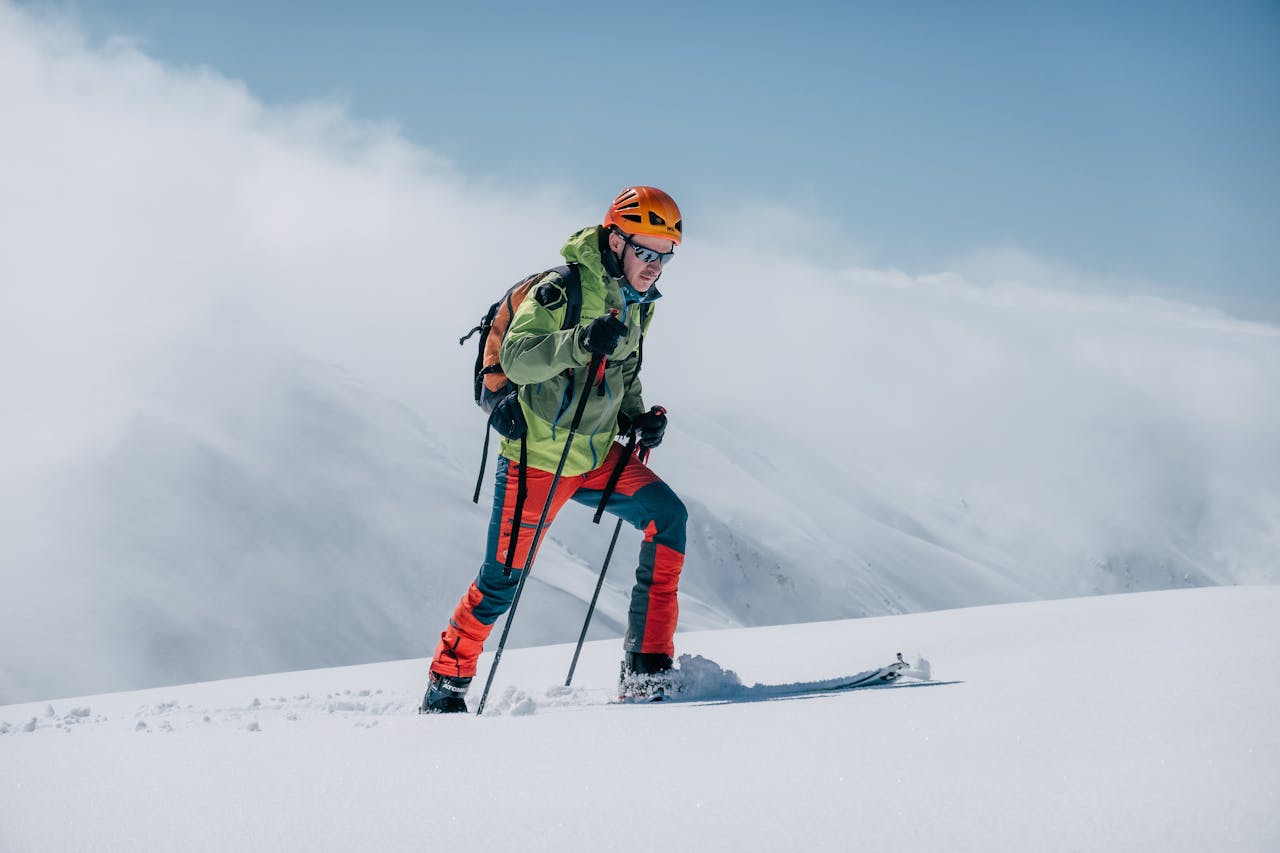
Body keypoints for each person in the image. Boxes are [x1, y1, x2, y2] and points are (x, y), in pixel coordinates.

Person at [421, 186, 689, 713]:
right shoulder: (561, 289)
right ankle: (445, 684)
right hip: (538, 458)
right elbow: (518, 359)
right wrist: (581, 340)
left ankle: (647, 668)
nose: (655, 265)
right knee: (501, 582)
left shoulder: (638, 304)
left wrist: (637, 417)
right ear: (617, 241)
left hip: (595, 455)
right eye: (647, 251)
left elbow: (625, 370)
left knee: (668, 518)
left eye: (666, 255)